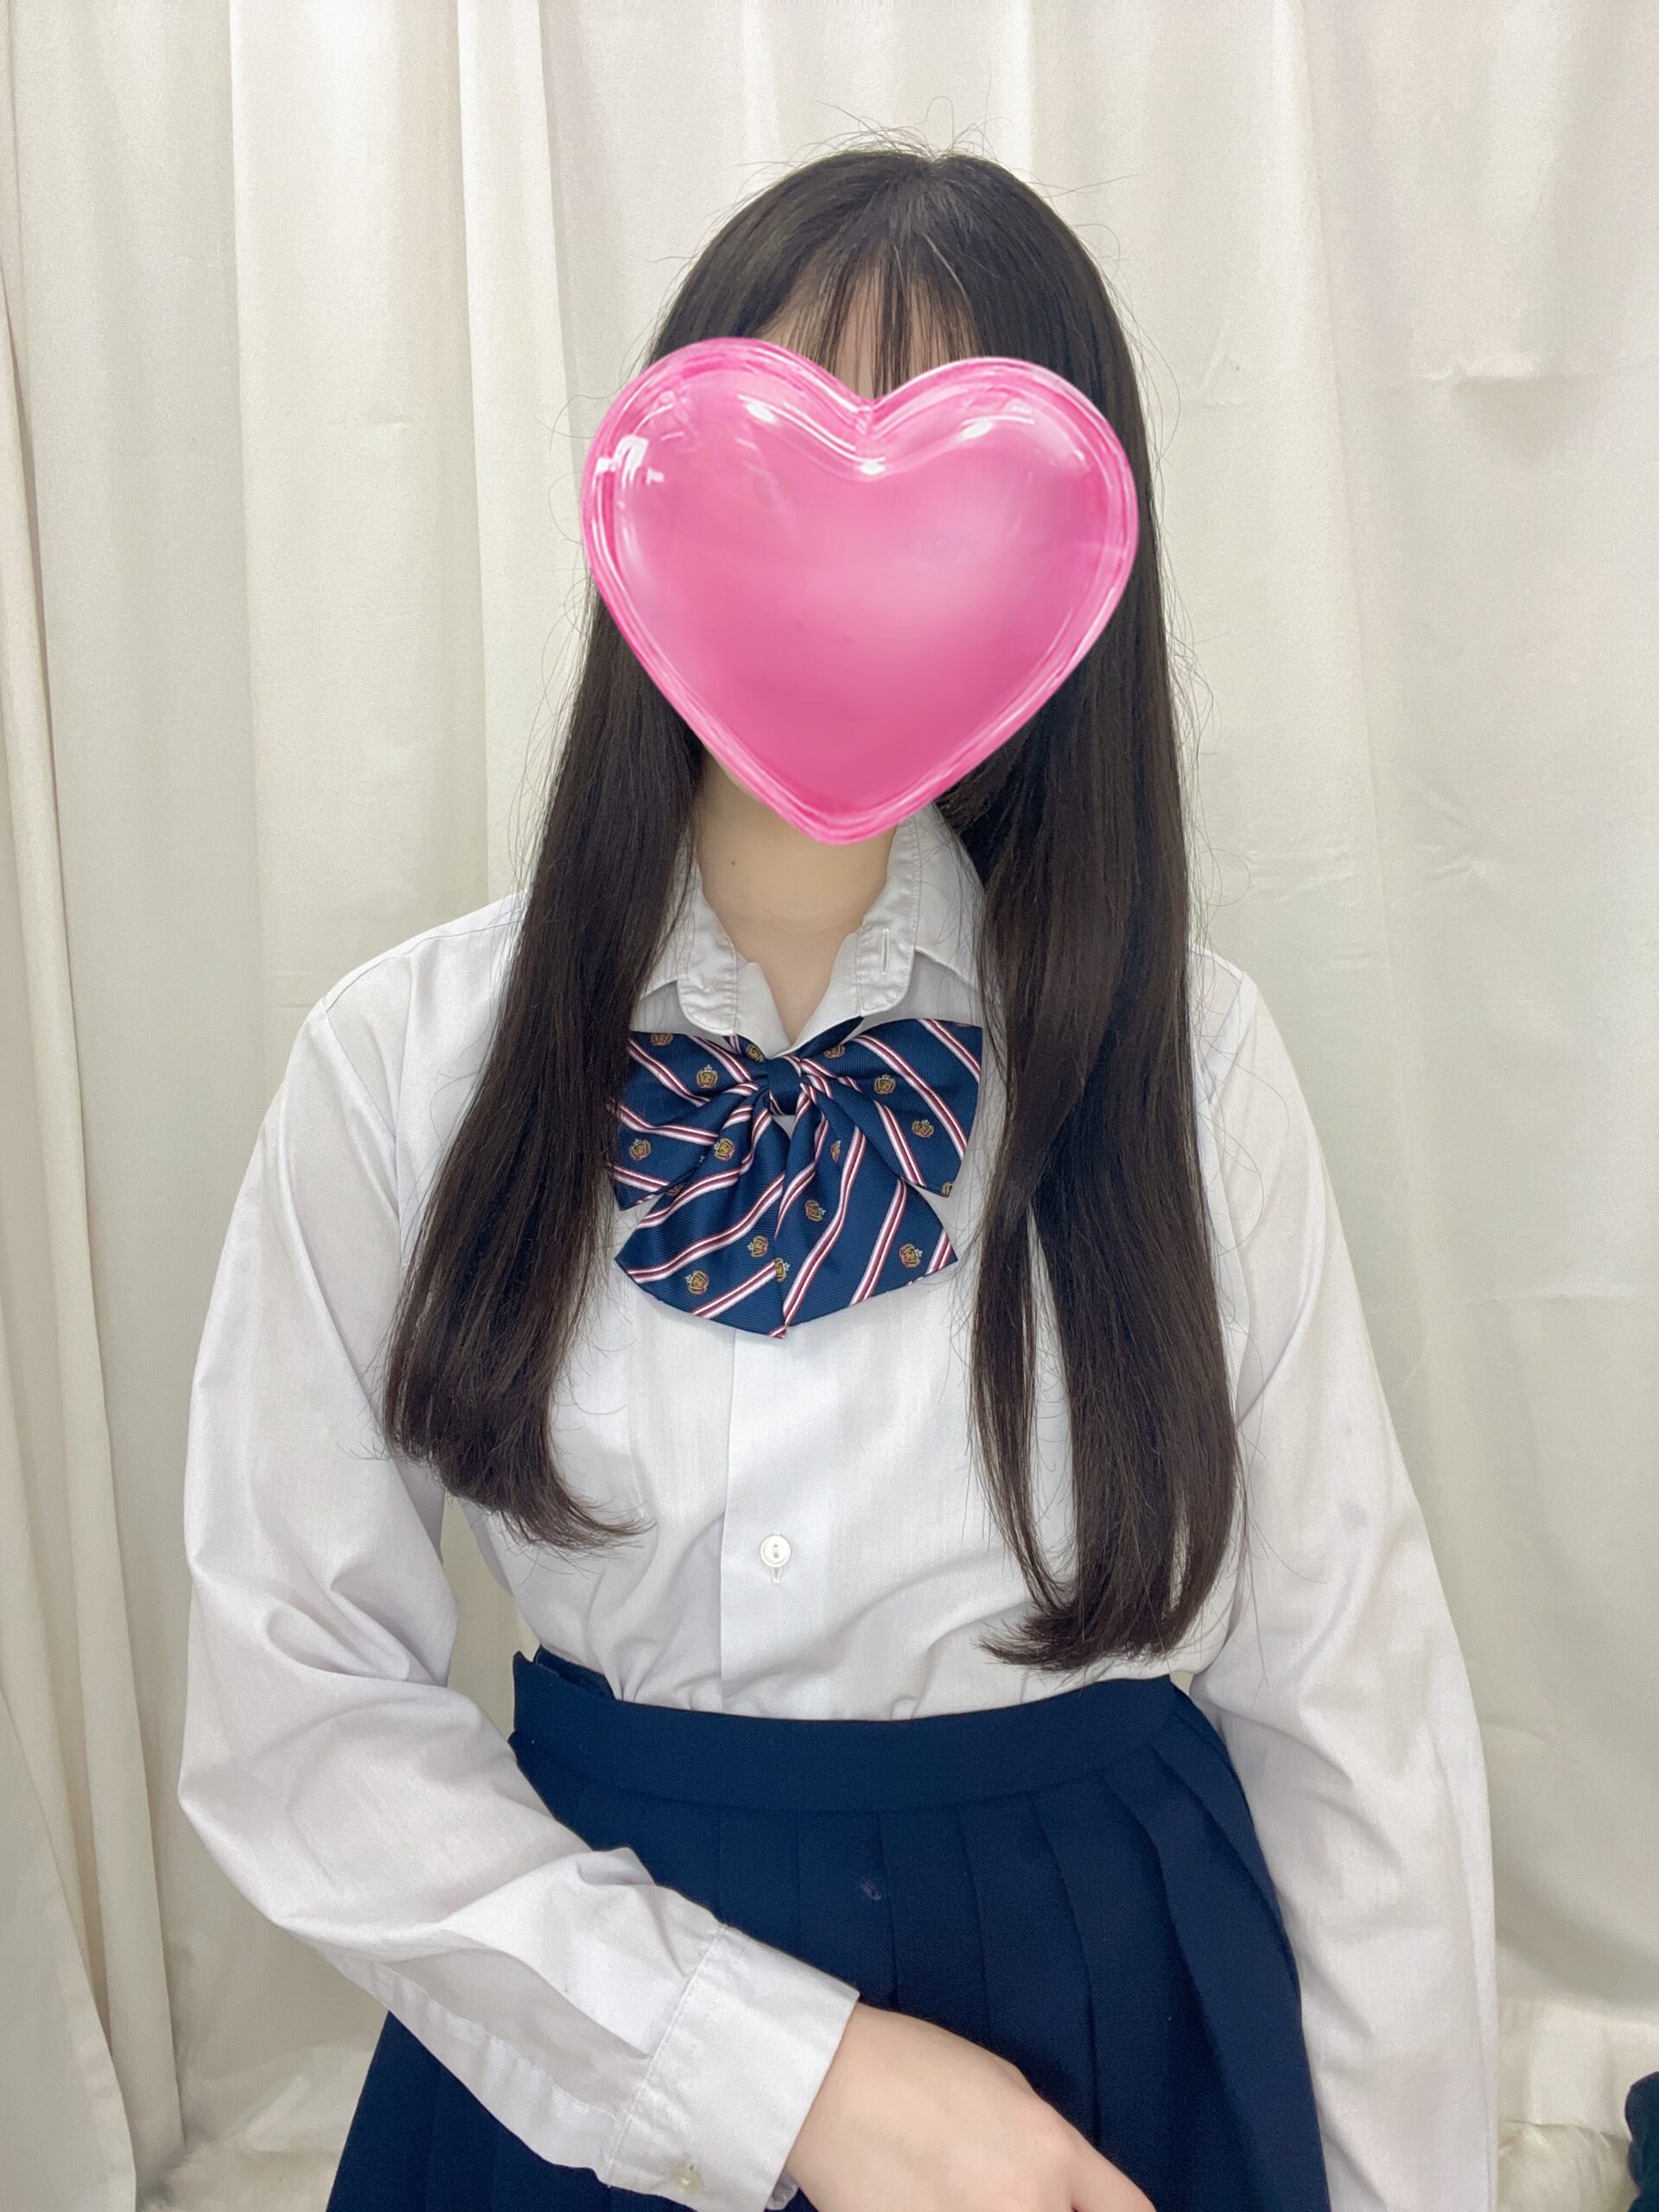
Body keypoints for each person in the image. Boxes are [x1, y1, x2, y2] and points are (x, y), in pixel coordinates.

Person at [176, 143, 1497, 2212]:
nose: (852, 574)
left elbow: (1350, 1705)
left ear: (1069, 576)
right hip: (583, 2022)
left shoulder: (1190, 1061)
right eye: (773, 484)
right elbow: (292, 1690)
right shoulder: (402, 1068)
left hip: (1121, 2012)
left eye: (946, 512)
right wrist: (784, 2079)